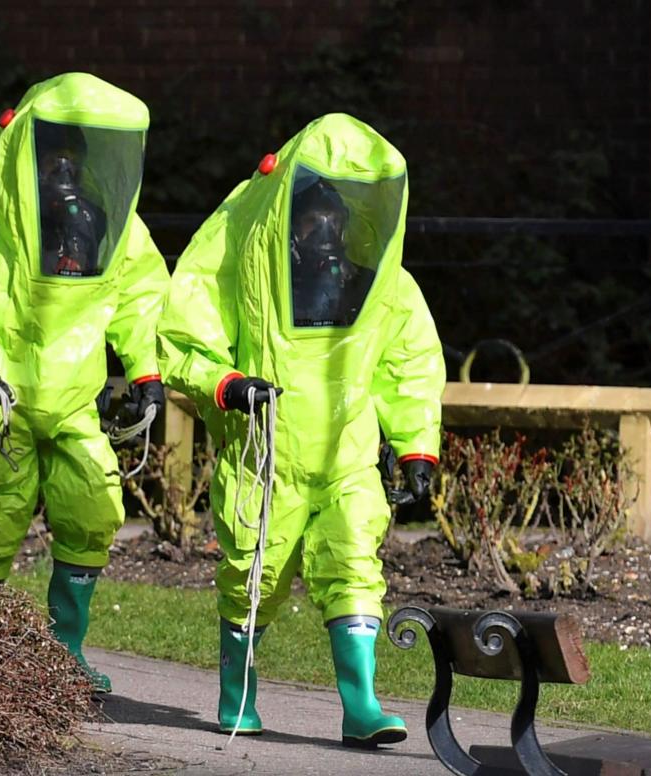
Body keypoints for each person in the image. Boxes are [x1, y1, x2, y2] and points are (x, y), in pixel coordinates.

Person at [156, 113, 444, 747]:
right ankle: (238, 696)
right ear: (286, 213)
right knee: (250, 576)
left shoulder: (380, 285)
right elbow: (182, 337)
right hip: (265, 455)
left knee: (353, 564)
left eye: (335, 218)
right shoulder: (239, 254)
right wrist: (228, 384)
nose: (325, 232)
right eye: (312, 217)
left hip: (346, 457)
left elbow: (410, 364)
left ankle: (362, 705)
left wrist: (417, 445)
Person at [0, 72, 169, 692]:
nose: (66, 176)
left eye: (75, 162)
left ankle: (62, 655)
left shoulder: (103, 213)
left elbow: (137, 291)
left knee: (93, 508)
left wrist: (146, 369)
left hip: (74, 395)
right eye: (55, 162)